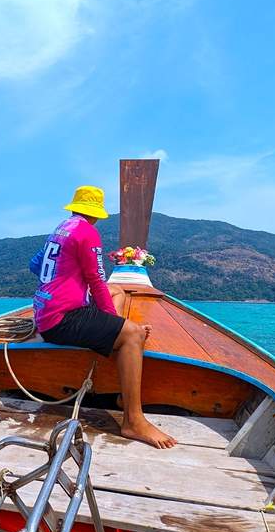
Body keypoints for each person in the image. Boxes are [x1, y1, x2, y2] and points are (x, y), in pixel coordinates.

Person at [28, 185, 177, 449]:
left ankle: (117, 342)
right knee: (133, 334)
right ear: (96, 213)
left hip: (44, 311)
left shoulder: (61, 228)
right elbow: (95, 280)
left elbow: (35, 265)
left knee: (117, 290)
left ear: (74, 207)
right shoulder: (87, 232)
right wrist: (119, 326)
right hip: (62, 319)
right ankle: (133, 421)